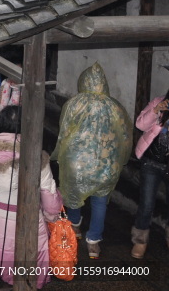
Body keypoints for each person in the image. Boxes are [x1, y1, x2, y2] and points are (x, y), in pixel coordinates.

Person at [0, 105, 61, 288]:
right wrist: (52, 216)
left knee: (1, 258)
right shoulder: (37, 158)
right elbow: (50, 201)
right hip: (31, 221)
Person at [52, 62, 131, 259]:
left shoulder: (73, 104)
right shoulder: (116, 106)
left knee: (73, 195)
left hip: (76, 162)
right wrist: (121, 159)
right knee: (100, 202)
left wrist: (59, 155)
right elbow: (125, 136)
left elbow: (64, 132)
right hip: (106, 164)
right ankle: (94, 242)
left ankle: (75, 227)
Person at [130, 87, 169, 258]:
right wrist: (156, 110)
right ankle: (140, 240)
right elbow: (140, 124)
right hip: (152, 162)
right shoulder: (159, 101)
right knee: (146, 204)